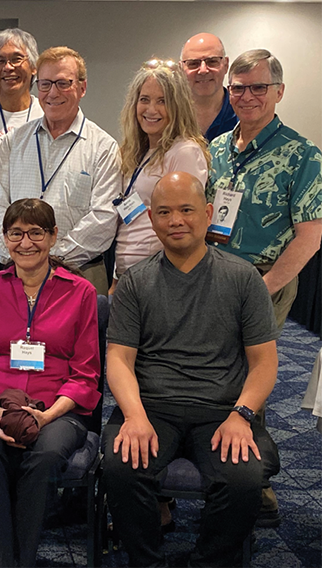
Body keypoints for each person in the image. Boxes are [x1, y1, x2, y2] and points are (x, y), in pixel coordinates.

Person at [103, 172, 280, 568]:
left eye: (186, 210)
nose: (175, 220)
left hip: (222, 409)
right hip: (151, 407)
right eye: (164, 211)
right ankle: (147, 561)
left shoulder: (242, 278)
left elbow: (264, 362)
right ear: (151, 217)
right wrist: (133, 415)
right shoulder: (136, 281)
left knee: (244, 478)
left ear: (208, 213)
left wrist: (242, 415)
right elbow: (119, 358)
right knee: (120, 466)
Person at [206, 50, 322, 526]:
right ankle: (217, 466)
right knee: (214, 368)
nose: (247, 96)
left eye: (257, 87)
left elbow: (311, 235)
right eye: (239, 88)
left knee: (252, 374)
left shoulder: (302, 154)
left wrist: (267, 285)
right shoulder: (217, 148)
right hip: (211, 279)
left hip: (265, 281)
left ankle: (258, 484)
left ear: (278, 91)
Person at [0, 198, 101, 568]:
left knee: (46, 454)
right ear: (4, 239)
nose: (26, 242)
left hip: (57, 408)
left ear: (53, 237)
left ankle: (24, 559)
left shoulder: (80, 292)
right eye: (16, 233)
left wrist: (46, 417)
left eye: (36, 232)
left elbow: (86, 373)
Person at [0, 46, 121, 294]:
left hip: (80, 274)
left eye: (62, 83)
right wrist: (16, 251)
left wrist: (47, 256)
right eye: (45, 84)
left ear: (82, 88)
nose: (52, 93)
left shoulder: (103, 147)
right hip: (15, 274)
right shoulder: (13, 143)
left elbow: (104, 218)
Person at [113, 59, 209, 283]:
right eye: (144, 100)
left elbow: (184, 225)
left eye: (162, 101)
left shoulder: (184, 151)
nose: (151, 110)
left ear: (177, 106)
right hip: (126, 274)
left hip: (160, 277)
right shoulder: (138, 152)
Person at [0, 28, 43, 164]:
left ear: (34, 66)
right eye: (0, 61)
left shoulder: (46, 114)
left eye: (16, 59)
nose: (8, 67)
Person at [180, 33, 238, 141]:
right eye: (193, 63)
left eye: (212, 62)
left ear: (226, 65)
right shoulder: (168, 116)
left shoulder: (244, 113)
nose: (203, 70)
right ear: (181, 69)